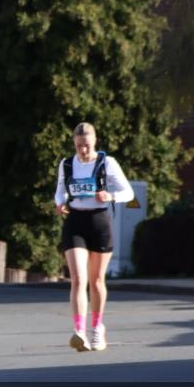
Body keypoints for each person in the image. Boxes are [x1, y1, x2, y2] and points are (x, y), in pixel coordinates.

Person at [54, 122, 134, 352]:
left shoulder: (107, 163)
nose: (83, 151)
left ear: (95, 142)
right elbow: (60, 190)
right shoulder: (67, 164)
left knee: (97, 280)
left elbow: (128, 192)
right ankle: (79, 331)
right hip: (75, 222)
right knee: (78, 279)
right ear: (74, 143)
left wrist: (110, 195)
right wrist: (60, 204)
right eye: (79, 146)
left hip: (99, 221)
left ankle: (97, 328)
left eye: (87, 146)